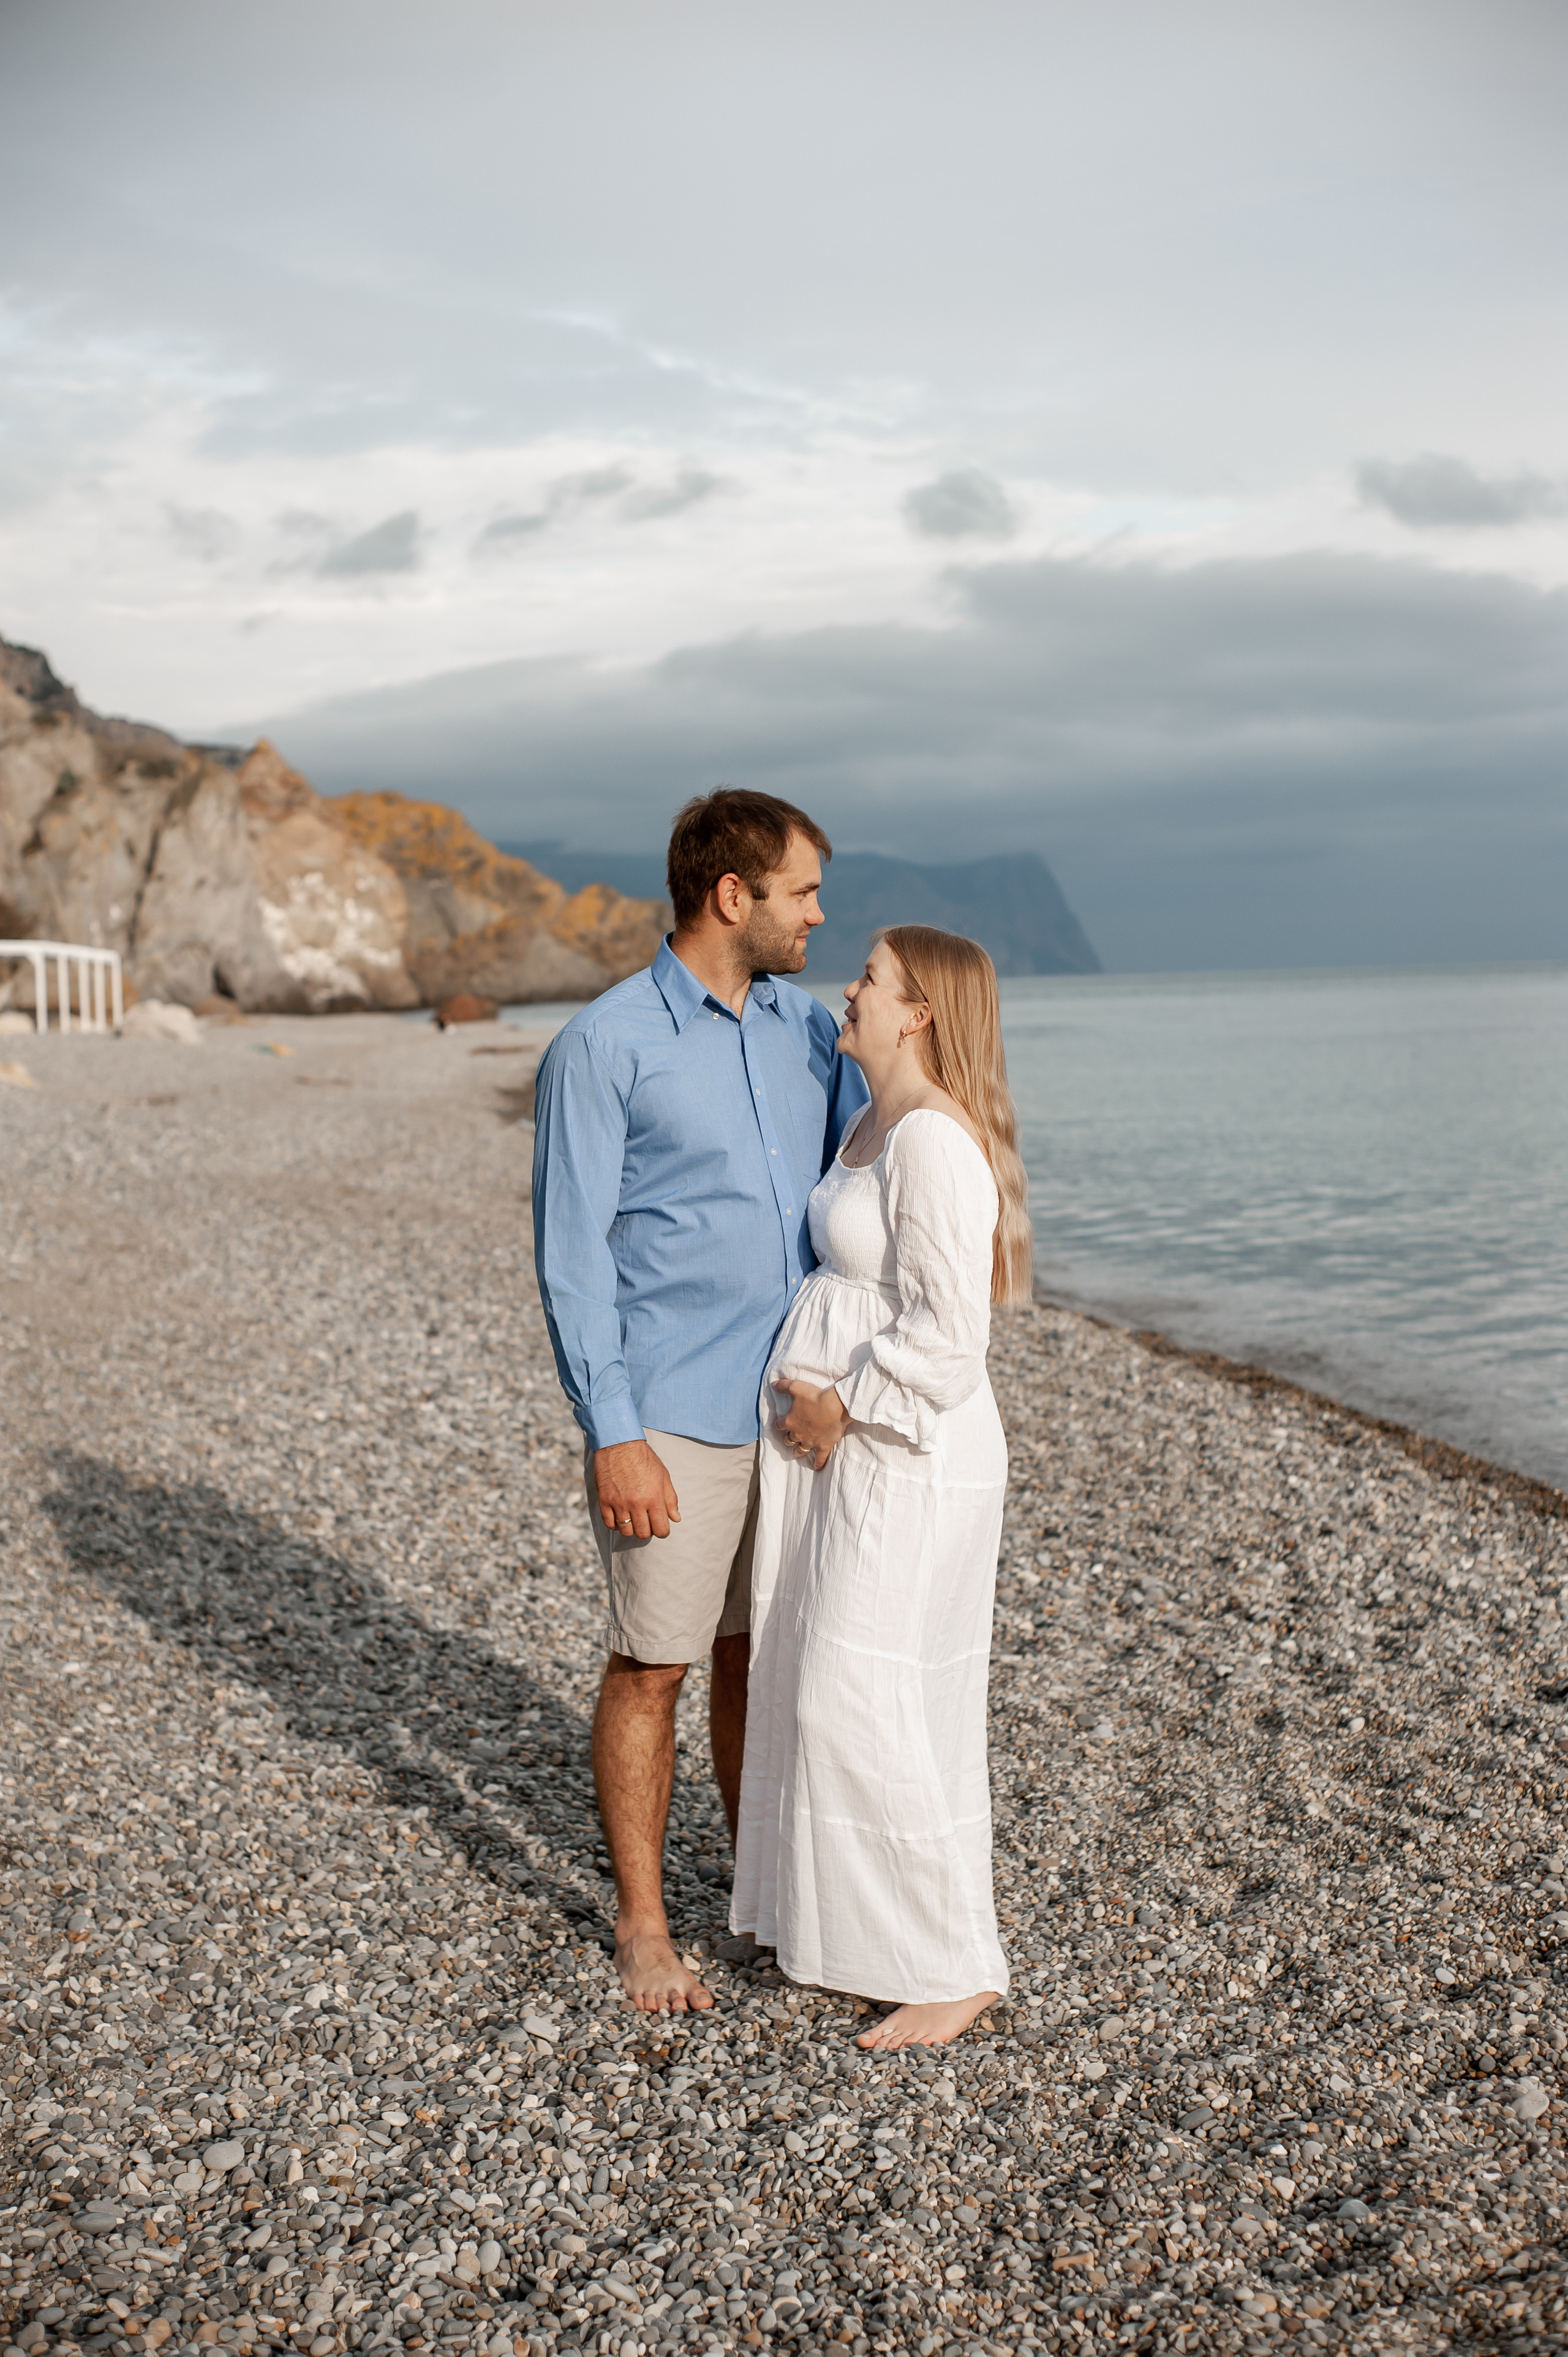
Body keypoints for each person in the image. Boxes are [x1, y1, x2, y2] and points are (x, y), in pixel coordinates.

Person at [532, 789, 869, 2014]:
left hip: (791, 1416)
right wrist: (614, 1435)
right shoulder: (602, 1047)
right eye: (802, 892)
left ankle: (756, 1900)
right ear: (734, 895)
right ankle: (643, 1927)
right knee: (653, 1667)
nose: (817, 915)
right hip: (670, 1417)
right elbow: (571, 1260)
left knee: (751, 1662)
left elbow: (865, 1188)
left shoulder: (807, 1032)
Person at [729, 925, 1033, 2049]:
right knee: (825, 1678)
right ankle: (848, 1938)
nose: (846, 990)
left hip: (906, 1448)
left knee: (858, 1692)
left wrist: (843, 1403)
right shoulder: (871, 1121)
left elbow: (953, 1335)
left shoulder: (934, 1144)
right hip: (847, 1449)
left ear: (919, 1014)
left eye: (870, 978)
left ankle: (955, 1966)